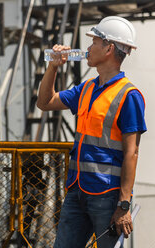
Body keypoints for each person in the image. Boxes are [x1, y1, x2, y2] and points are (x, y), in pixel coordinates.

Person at [36, 16, 147, 248]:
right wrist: (53, 67)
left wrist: (124, 205)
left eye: (94, 41)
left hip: (107, 196)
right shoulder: (86, 88)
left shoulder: (129, 96)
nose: (88, 48)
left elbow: (131, 153)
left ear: (109, 48)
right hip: (77, 191)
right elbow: (44, 102)